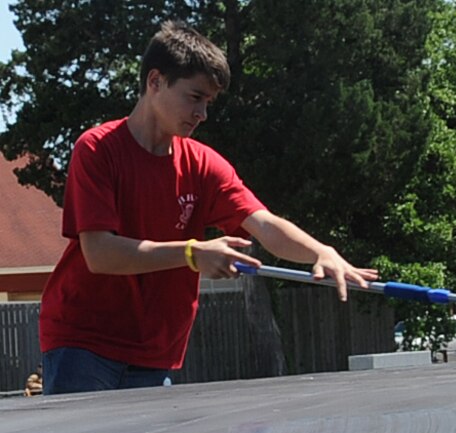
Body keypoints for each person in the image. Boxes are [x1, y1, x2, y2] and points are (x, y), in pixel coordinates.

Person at [40, 21, 378, 395]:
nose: (202, 113)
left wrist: (321, 251)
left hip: (157, 352)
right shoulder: (97, 149)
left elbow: (262, 224)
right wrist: (191, 253)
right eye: (194, 97)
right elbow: (100, 254)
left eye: (208, 103)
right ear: (155, 82)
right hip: (84, 346)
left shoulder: (202, 164)